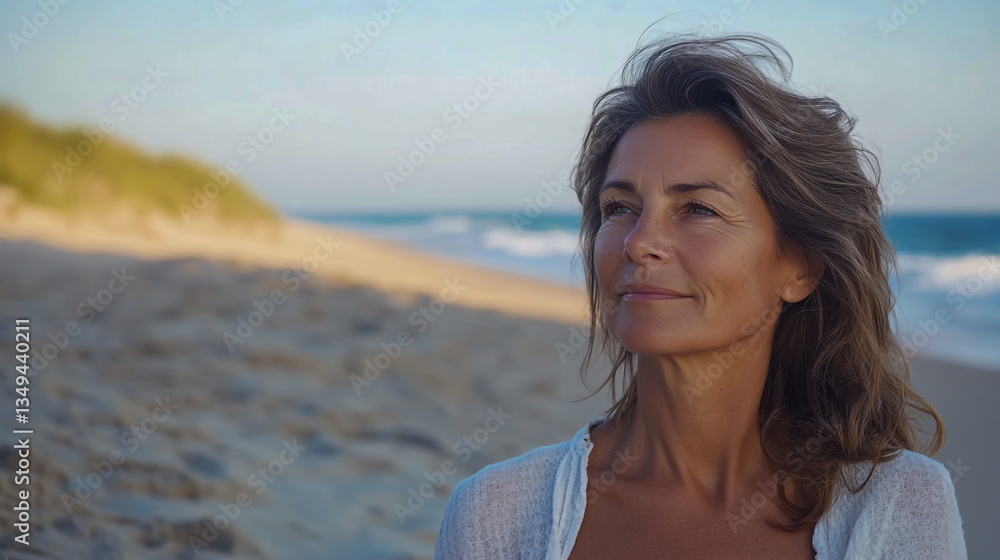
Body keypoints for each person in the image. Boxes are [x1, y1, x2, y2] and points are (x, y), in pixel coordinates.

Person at [433, 31, 967, 559]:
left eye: (699, 209)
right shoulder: (496, 515)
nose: (640, 242)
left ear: (799, 268)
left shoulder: (895, 505)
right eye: (620, 207)